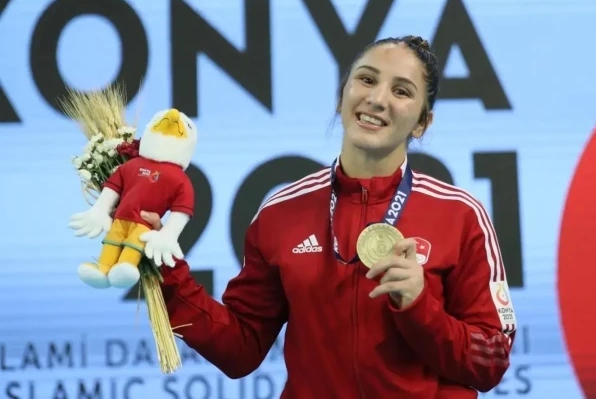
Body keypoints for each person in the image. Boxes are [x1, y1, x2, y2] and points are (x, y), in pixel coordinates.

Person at [141, 35, 517, 398]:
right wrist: (164, 270)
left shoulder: (460, 215)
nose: (377, 99)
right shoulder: (280, 213)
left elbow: (492, 360)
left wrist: (420, 307)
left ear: (422, 123)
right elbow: (239, 348)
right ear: (342, 97)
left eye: (401, 91)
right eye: (366, 79)